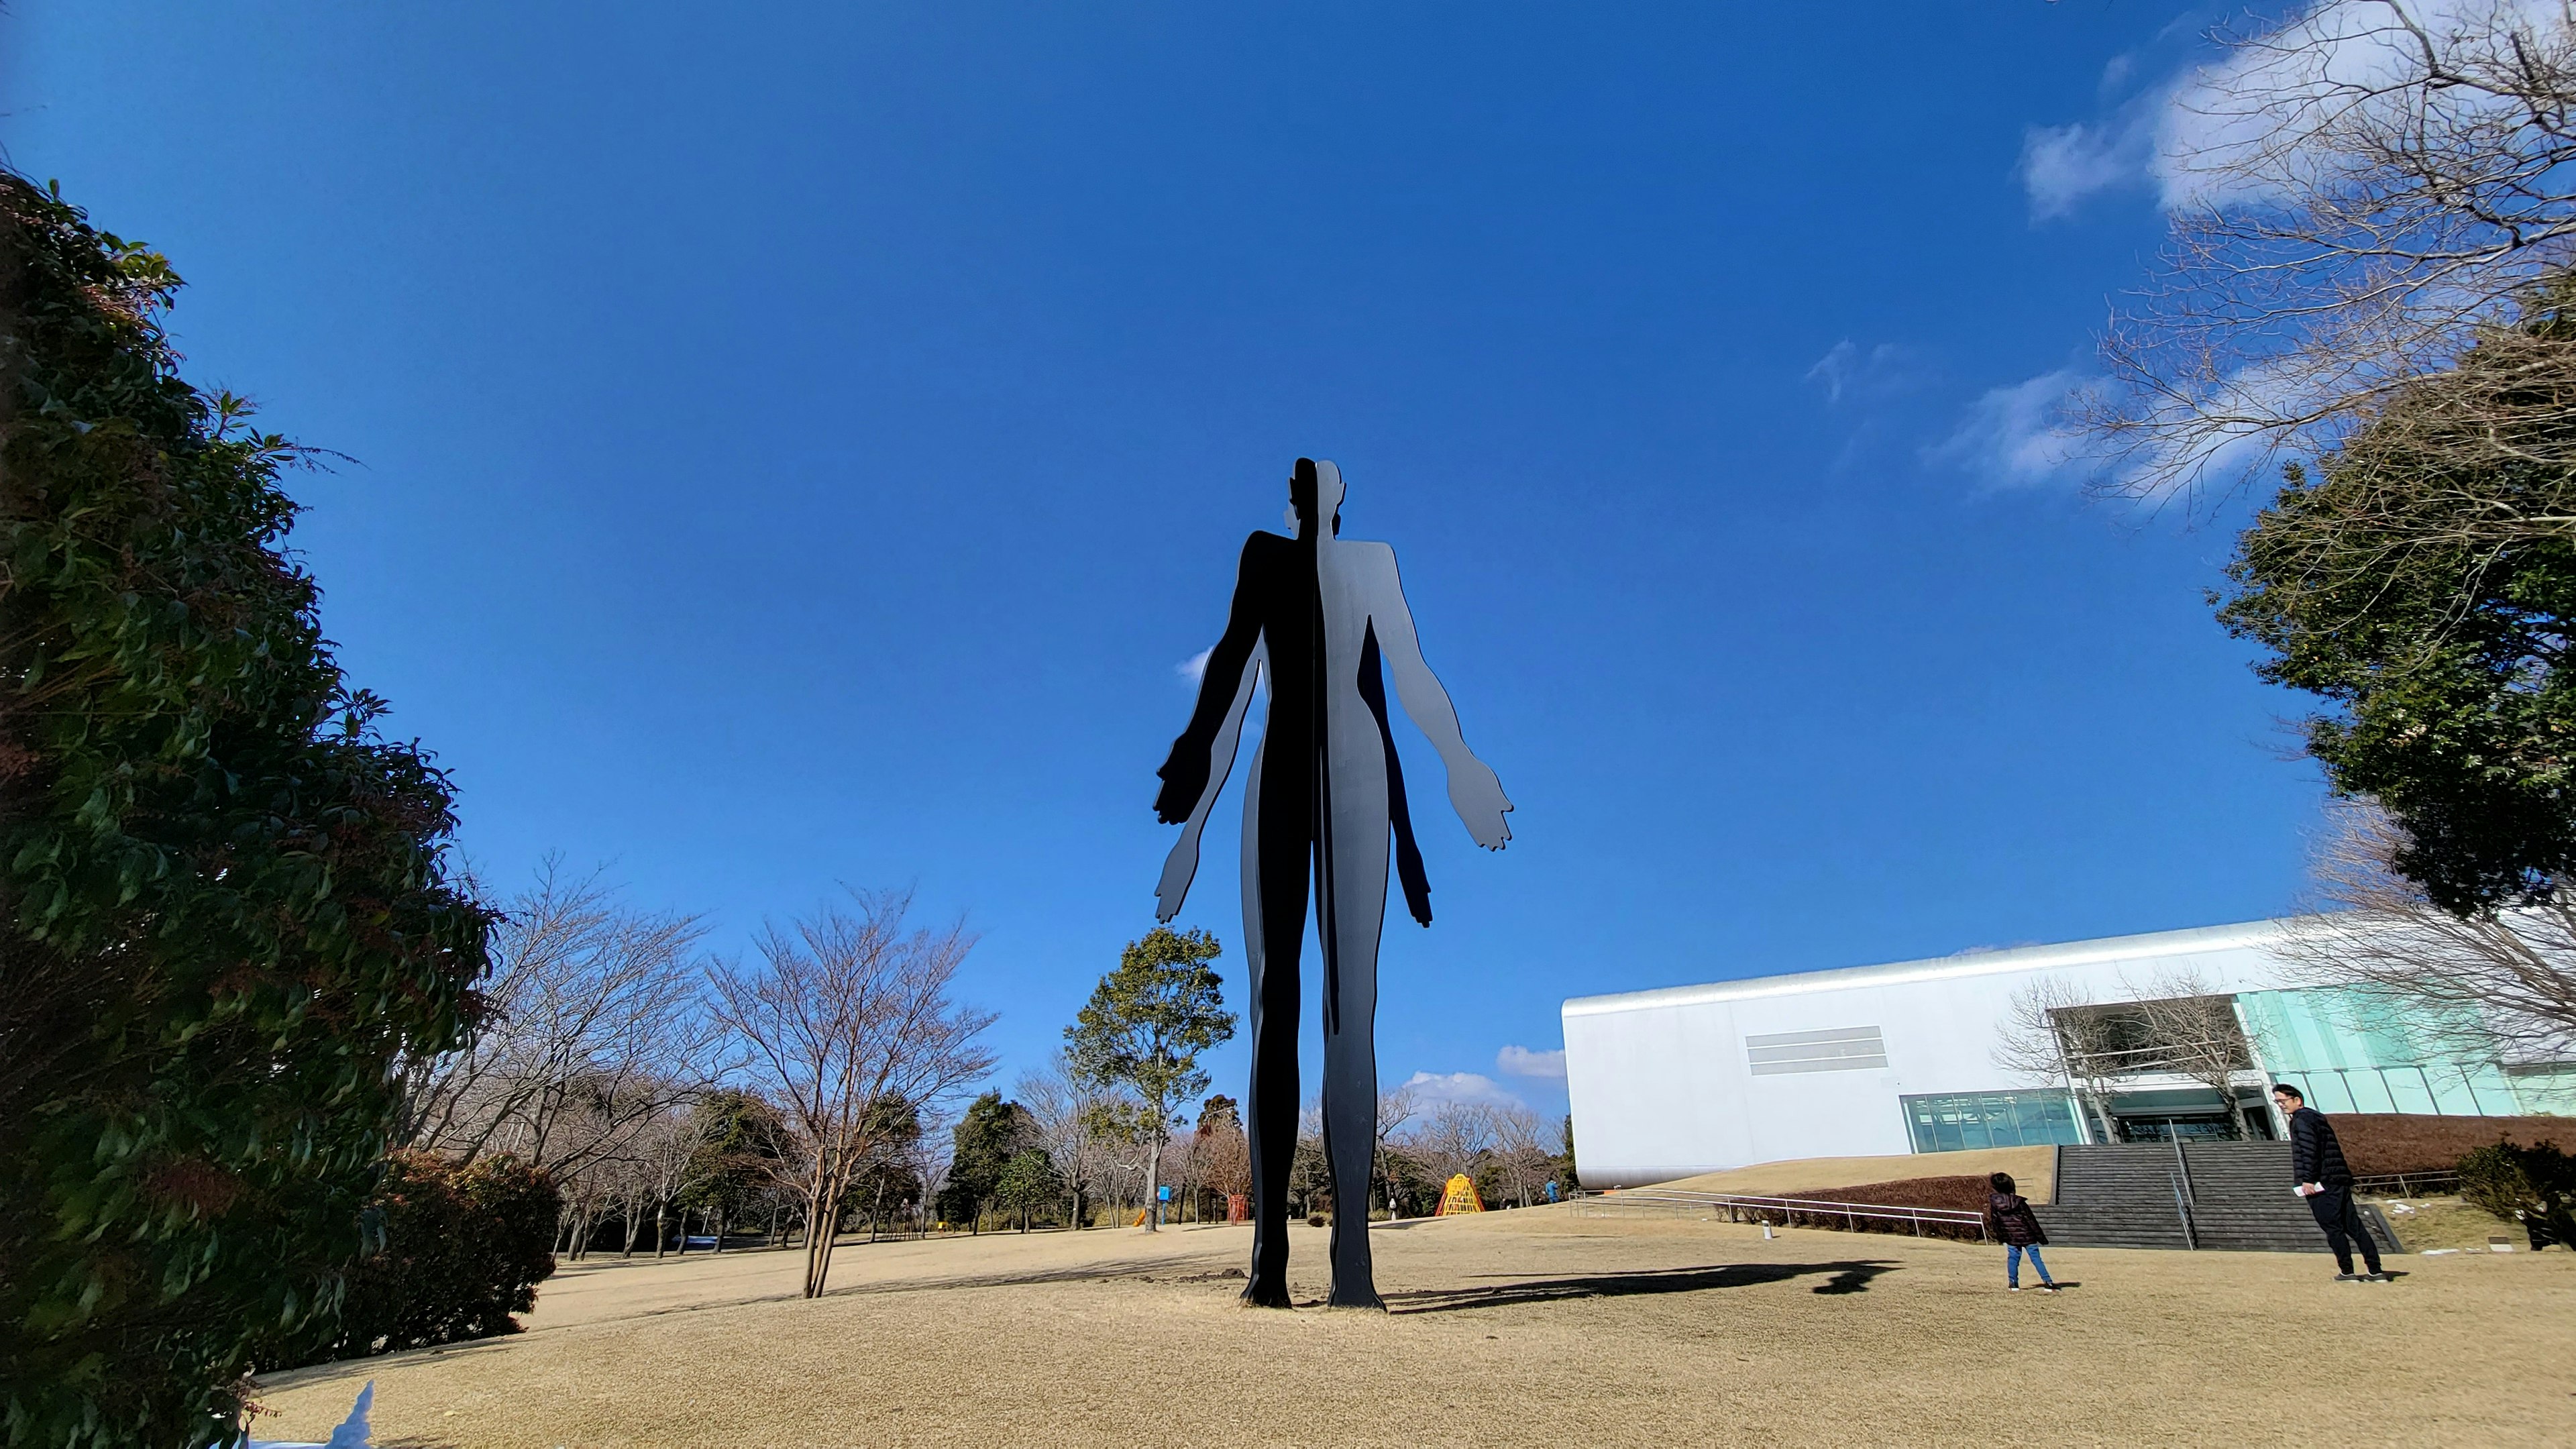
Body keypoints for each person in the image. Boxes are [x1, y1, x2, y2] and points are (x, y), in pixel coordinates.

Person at [1153, 459, 1511, 1309]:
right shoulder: (1264, 557)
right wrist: (1195, 809)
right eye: (1305, 485)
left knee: (1353, 1007)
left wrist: (1460, 767)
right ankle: (1268, 1259)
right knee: (1275, 1005)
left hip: (1355, 776)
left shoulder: (1372, 563)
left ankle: (1354, 1257)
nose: (1316, 493)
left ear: (1339, 498)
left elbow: (1407, 679)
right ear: (1296, 502)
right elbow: (1235, 673)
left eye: (1327, 483)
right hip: (1277, 779)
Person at [2273, 1083, 2390, 1283]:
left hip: (2323, 1183)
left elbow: (2310, 1151)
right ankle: (2376, 1270)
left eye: (2283, 1101)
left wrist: (2308, 1180)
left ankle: (2347, 1272)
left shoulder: (2301, 1120)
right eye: (2277, 1102)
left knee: (2333, 1228)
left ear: (2297, 1100)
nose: (2280, 1105)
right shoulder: (2317, 1118)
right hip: (2339, 1180)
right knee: (2354, 1226)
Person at [1984, 1172, 2058, 1293]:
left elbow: (1995, 1222)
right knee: (2036, 1259)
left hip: (2011, 1236)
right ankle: (2048, 1282)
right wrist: (2041, 1237)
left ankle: (2013, 1283)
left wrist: (2001, 1237)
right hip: (2028, 1235)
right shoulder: (2020, 1203)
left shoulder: (1995, 1204)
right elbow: (2031, 1221)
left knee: (2013, 1258)